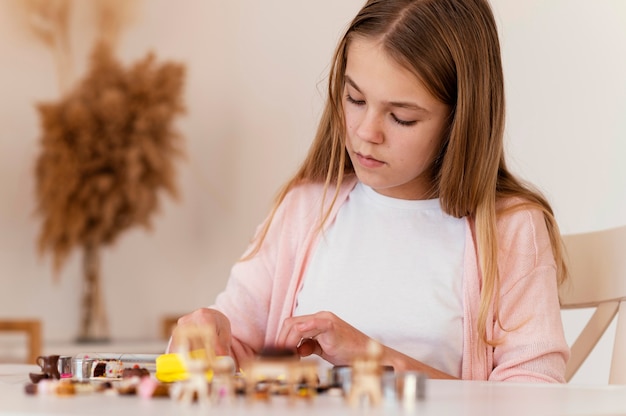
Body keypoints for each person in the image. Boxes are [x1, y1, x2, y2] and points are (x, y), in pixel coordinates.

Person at [170, 0, 570, 382]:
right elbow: (230, 347)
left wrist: (373, 359)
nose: (365, 132)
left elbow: (530, 397)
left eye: (401, 118)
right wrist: (200, 339)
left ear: (460, 120)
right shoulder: (307, 207)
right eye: (355, 98)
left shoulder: (510, 229)